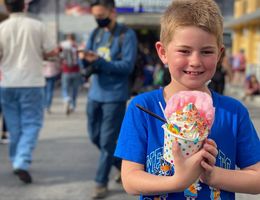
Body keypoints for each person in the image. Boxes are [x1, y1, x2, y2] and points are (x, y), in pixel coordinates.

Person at [114, 0, 260, 199]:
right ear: (163, 53)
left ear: (220, 54)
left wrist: (213, 175)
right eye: (184, 51)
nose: (195, 61)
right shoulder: (142, 108)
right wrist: (178, 181)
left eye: (207, 51)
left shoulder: (233, 112)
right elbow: (130, 180)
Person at [80, 0, 137, 198]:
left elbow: (127, 67)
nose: (99, 20)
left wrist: (100, 61)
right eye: (96, 16)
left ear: (112, 12)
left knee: (107, 141)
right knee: (95, 137)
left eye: (102, 16)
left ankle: (100, 182)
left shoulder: (126, 35)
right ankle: (124, 167)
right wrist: (84, 59)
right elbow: (87, 56)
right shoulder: (96, 33)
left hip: (115, 96)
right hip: (95, 93)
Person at [0, 0, 59, 184]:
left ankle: (16, 159)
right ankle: (21, 161)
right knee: (32, 123)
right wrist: (40, 53)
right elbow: (52, 52)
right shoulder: (37, 26)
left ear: (7, 8)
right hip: (32, 82)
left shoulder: (1, 27)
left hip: (7, 83)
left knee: (14, 125)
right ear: (24, 6)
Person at [60, 33, 82, 115]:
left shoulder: (63, 45)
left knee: (65, 88)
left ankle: (66, 98)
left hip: (66, 70)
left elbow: (60, 56)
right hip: (76, 70)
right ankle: (73, 105)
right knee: (74, 89)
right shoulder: (76, 46)